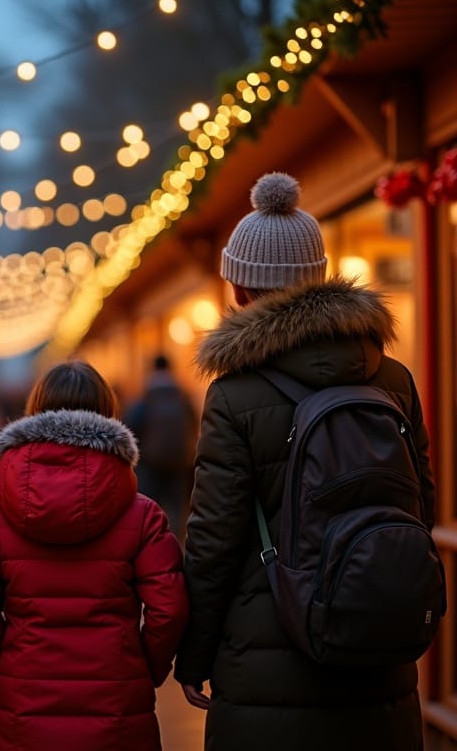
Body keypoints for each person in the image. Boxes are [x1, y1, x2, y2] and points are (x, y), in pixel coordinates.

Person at [174, 172, 433, 750]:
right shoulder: (392, 378)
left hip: (268, 654)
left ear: (239, 290)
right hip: (378, 650)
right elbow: (422, 502)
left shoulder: (233, 393)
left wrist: (193, 653)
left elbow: (215, 538)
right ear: (317, 278)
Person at [0, 360, 188, 751]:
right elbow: (170, 606)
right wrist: (144, 666)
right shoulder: (142, 514)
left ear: (35, 411)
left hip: (23, 714)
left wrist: (9, 653)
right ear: (109, 413)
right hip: (118, 712)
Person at [125, 354, 198, 540]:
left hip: (150, 463)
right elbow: (195, 423)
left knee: (151, 507)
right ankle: (178, 544)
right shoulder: (182, 396)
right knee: (177, 507)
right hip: (179, 461)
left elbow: (131, 429)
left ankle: (154, 543)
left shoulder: (145, 398)